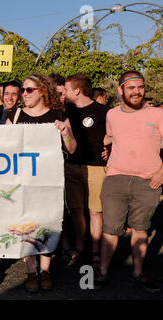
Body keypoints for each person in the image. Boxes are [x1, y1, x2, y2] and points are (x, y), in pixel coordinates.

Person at [5, 74, 76, 293]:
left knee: (47, 223)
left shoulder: (59, 115)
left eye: (28, 90)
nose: (23, 94)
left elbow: (72, 148)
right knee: (27, 224)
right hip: (21, 182)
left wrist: (65, 134)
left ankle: (45, 271)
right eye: (23, 90)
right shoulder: (15, 115)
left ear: (42, 92)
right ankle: (30, 272)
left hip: (48, 182)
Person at [94, 71, 162, 293]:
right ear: (120, 90)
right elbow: (111, 137)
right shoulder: (112, 114)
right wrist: (106, 147)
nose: (136, 91)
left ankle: (138, 274)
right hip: (116, 178)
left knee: (141, 229)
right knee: (110, 230)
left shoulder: (157, 114)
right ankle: (102, 273)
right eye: (131, 87)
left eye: (140, 87)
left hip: (148, 181)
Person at [64, 74, 109, 270]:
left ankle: (96, 252)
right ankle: (81, 249)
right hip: (72, 166)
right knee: (76, 210)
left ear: (77, 90)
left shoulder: (103, 111)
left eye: (66, 89)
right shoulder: (66, 111)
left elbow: (115, 135)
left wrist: (110, 149)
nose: (63, 93)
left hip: (96, 167)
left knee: (95, 212)